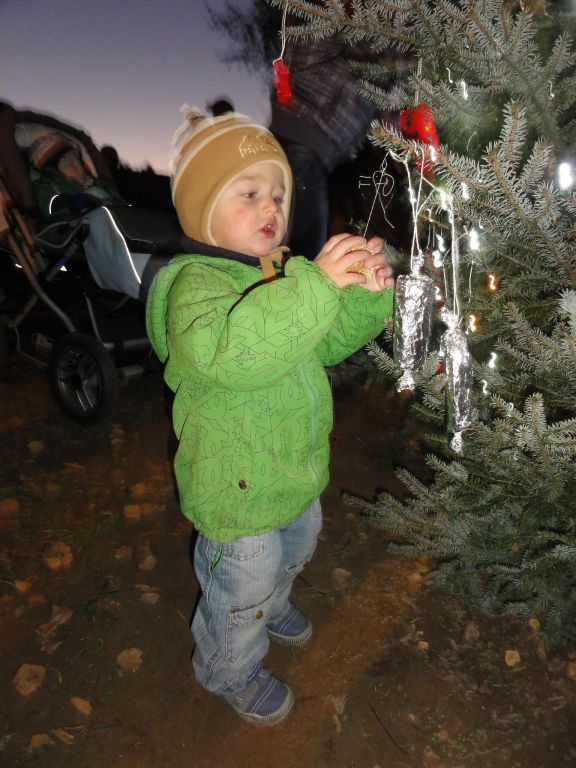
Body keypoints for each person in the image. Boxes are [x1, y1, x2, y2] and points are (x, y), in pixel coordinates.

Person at [145, 107, 395, 726]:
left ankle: (271, 604)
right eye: (249, 193)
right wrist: (314, 287)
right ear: (203, 212)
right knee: (242, 584)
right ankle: (226, 666)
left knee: (295, 548)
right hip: (235, 487)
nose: (272, 207)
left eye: (278, 195)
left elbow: (324, 342)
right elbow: (234, 352)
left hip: (290, 470)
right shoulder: (194, 288)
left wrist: (363, 296)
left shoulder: (283, 275)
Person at [270, 37, 377, 260]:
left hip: (321, 158)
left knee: (306, 245)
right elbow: (301, 52)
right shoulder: (341, 38)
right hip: (299, 141)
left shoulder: (380, 72)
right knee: (306, 251)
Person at [29, 132, 125, 217]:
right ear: (54, 171)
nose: (79, 167)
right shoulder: (48, 185)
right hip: (79, 224)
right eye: (70, 164)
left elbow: (115, 196)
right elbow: (48, 206)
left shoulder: (95, 182)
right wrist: (69, 202)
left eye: (78, 162)